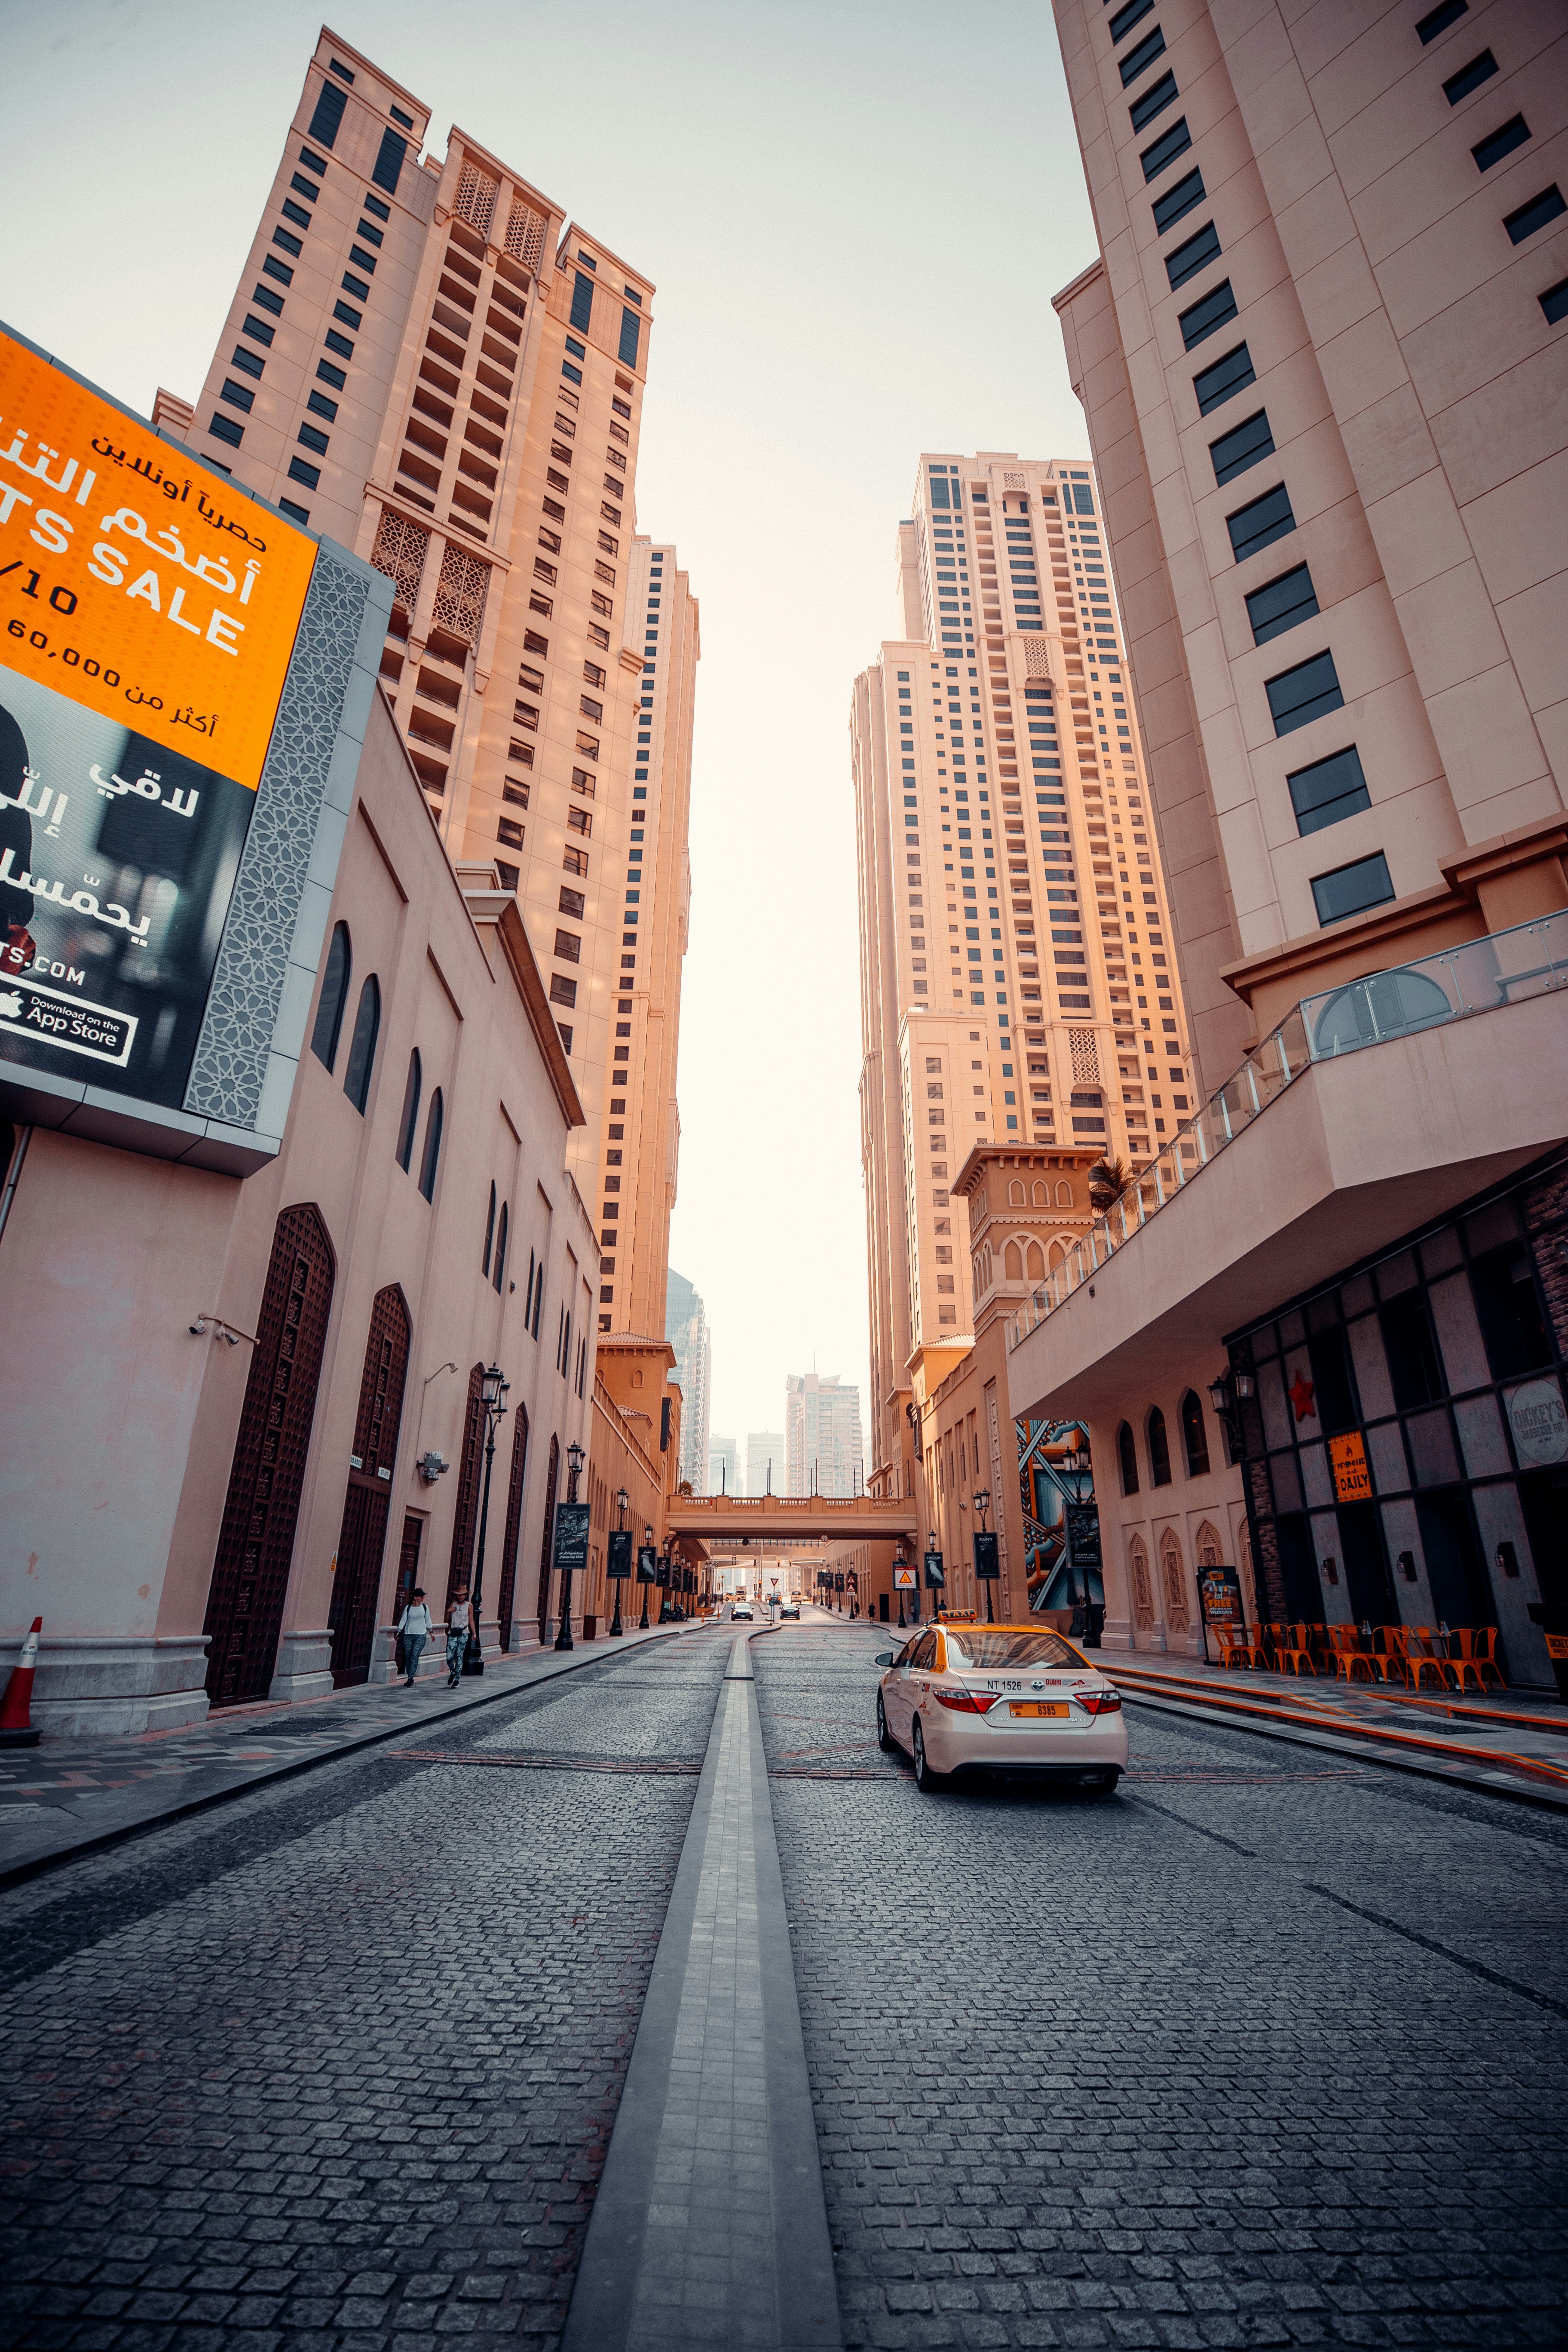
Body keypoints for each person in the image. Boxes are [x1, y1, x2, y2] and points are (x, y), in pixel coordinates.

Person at [395, 1588, 432, 1687]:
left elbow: (428, 1620)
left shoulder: (425, 1608)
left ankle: (411, 1677)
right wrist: (399, 1632)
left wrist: (431, 1632)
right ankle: (410, 1676)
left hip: (420, 1635)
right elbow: (403, 1620)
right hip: (408, 1634)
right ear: (415, 1598)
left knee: (414, 1654)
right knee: (408, 1656)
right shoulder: (408, 1608)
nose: (423, 1598)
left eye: (423, 1596)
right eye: (421, 1596)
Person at [447, 1584, 475, 1687]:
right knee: (449, 1657)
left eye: (462, 1595)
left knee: (459, 1656)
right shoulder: (453, 1604)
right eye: (459, 1595)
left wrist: (474, 1633)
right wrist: (448, 1611)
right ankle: (453, 1672)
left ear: (465, 1595)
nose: (460, 1597)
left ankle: (457, 1680)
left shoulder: (469, 1606)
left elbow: (471, 1620)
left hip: (463, 1633)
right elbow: (447, 1619)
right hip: (453, 1633)